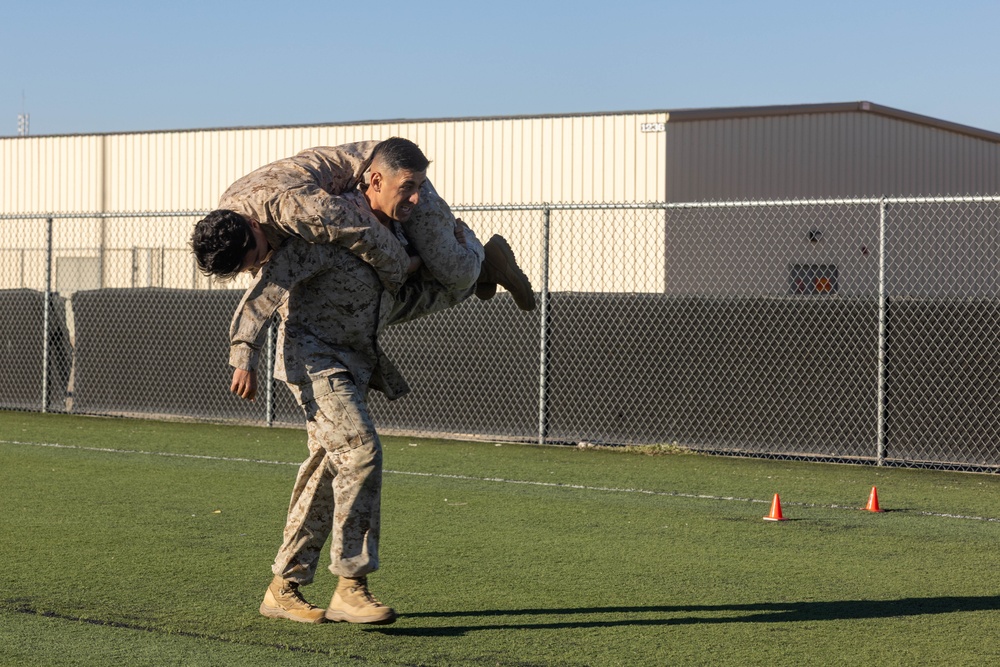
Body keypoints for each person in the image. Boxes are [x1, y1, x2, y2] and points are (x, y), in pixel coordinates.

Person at [225, 139, 515, 626]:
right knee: (361, 451)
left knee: (325, 471)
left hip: (358, 360)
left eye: (421, 189)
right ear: (375, 181)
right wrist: (243, 354)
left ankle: (283, 587)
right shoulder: (324, 230)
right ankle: (351, 585)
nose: (417, 200)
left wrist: (472, 267)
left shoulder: (400, 234)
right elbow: (264, 291)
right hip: (315, 363)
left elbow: (414, 287)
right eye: (409, 188)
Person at [190, 138, 536, 310]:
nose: (259, 266)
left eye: (256, 258)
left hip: (388, 178)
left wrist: (403, 268)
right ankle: (483, 274)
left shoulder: (299, 209)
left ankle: (484, 257)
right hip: (352, 196)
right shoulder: (230, 216)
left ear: (253, 224)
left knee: (450, 270)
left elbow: (361, 231)